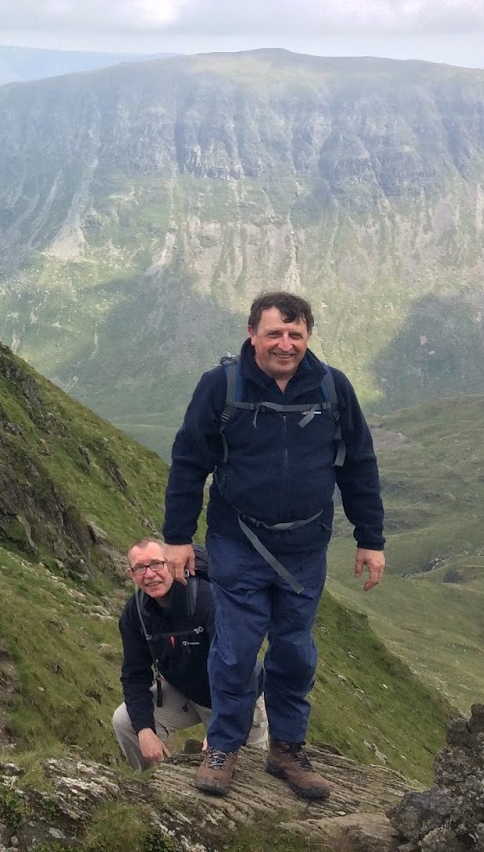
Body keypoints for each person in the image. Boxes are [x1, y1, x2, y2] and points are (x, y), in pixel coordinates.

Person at [163, 291, 385, 800]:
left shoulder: (332, 388)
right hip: (237, 542)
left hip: (304, 548)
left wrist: (370, 539)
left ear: (307, 337)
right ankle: (224, 748)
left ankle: (286, 749)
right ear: (252, 334)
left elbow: (359, 464)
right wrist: (177, 538)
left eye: (295, 334)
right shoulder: (222, 386)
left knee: (295, 652)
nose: (285, 344)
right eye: (274, 334)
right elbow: (189, 462)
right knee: (236, 650)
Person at [114, 539, 268, 771]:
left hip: (236, 695)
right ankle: (161, 783)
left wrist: (222, 728)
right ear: (131, 574)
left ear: (172, 563)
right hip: (184, 693)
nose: (149, 574)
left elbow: (242, 665)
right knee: (125, 721)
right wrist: (144, 731)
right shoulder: (135, 613)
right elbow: (134, 676)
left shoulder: (207, 598)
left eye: (156, 564)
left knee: (250, 772)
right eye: (140, 568)